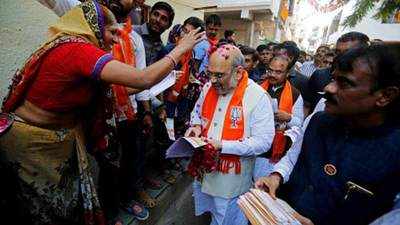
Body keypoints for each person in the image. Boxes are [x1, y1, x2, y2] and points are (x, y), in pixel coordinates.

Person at [0, 1, 203, 224]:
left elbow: (123, 88)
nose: (117, 39)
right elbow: (143, 78)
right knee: (37, 212)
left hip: (52, 142)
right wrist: (180, 49)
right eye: (112, 32)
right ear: (94, 26)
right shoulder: (78, 49)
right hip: (32, 145)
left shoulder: (78, 47)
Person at [256, 44, 400, 225]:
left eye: (345, 83)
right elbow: (293, 158)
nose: (329, 88)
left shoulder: (395, 150)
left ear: (385, 96)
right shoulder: (318, 122)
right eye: (333, 79)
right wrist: (275, 177)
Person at [185, 44, 275, 225]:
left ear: (239, 72)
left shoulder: (257, 96)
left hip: (231, 179)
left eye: (219, 75)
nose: (212, 80)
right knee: (210, 211)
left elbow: (264, 141)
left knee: (227, 218)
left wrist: (223, 146)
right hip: (205, 170)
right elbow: (197, 111)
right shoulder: (208, 87)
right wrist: (195, 126)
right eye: (210, 73)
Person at [253, 55, 304, 180]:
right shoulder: (256, 88)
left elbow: (299, 125)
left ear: (287, 73)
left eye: (278, 72)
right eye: (270, 70)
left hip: (273, 154)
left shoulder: (295, 94)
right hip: (253, 145)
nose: (273, 75)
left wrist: (288, 118)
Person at [308, 32, 370, 110]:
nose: (329, 89)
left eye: (347, 53)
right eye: (337, 53)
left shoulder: (367, 82)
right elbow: (307, 106)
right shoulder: (319, 75)